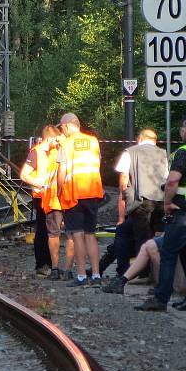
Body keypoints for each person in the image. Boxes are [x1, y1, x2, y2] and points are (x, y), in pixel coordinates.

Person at [136, 117, 186, 312]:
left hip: (185, 211)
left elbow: (173, 181)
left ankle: (160, 298)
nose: (182, 132)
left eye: (183, 129)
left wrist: (166, 203)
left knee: (169, 253)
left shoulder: (184, 152)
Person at [111, 128, 169, 276]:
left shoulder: (130, 151)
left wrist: (124, 202)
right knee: (156, 239)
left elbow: (124, 179)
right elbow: (167, 178)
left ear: (139, 139)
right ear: (155, 141)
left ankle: (142, 274)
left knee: (142, 239)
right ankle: (157, 275)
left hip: (140, 202)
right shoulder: (163, 153)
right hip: (160, 202)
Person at [57, 113, 105, 287]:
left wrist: (59, 191)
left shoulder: (66, 144)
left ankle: (81, 276)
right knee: (90, 234)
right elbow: (97, 164)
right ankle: (97, 275)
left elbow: (61, 172)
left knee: (77, 235)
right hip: (92, 191)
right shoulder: (93, 141)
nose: (62, 131)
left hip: (74, 193)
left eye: (62, 127)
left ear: (69, 125)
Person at [20, 126, 62, 277]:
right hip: (40, 196)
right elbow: (24, 174)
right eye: (56, 140)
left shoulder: (52, 152)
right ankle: (41, 264)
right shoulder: (36, 152)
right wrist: (40, 184)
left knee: (50, 232)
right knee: (43, 231)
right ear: (49, 139)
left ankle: (50, 264)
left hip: (50, 197)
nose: (58, 143)